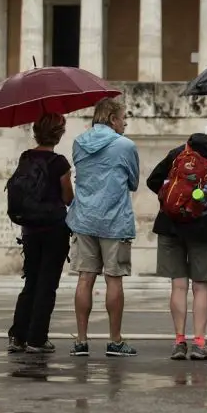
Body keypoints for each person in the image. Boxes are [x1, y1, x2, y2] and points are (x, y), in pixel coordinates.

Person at [146, 121, 207, 360]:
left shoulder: (179, 152)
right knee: (200, 287)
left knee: (178, 285)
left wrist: (173, 203)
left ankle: (179, 342)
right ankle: (199, 343)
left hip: (170, 226)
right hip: (204, 228)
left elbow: (152, 181)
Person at [66, 97, 139, 357]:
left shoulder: (78, 143)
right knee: (113, 279)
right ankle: (115, 340)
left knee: (85, 278)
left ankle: (82, 341)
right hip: (114, 221)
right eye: (123, 118)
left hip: (84, 218)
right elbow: (133, 182)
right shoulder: (125, 146)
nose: (125, 123)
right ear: (112, 119)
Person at [7, 113, 74, 354]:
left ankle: (17, 336)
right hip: (54, 230)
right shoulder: (60, 163)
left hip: (29, 231)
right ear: (59, 134)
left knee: (31, 283)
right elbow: (68, 198)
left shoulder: (26, 157)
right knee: (47, 285)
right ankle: (37, 339)